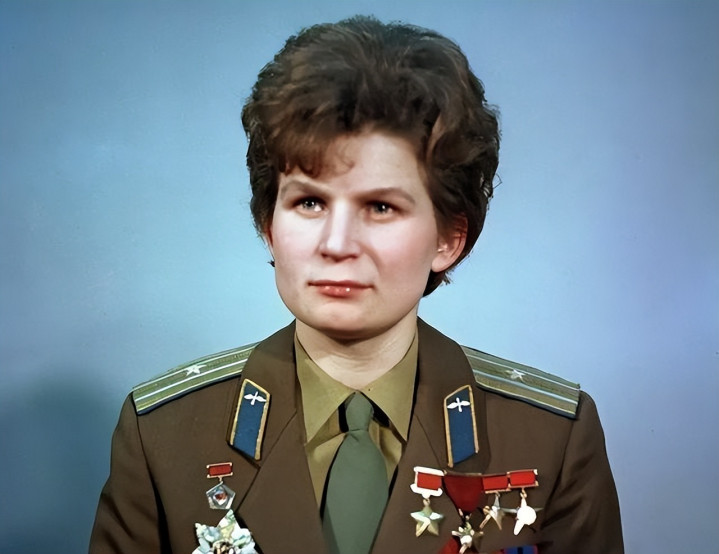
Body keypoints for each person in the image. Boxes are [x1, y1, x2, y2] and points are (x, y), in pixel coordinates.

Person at [90, 15, 623, 554]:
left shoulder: (550, 438)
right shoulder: (163, 436)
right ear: (269, 225)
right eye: (309, 202)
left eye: (380, 207)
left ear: (449, 238)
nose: (337, 243)